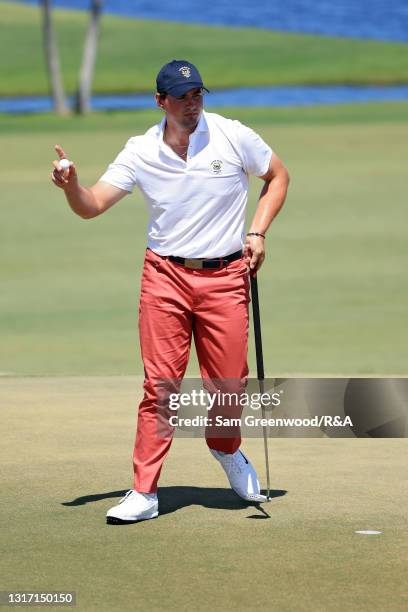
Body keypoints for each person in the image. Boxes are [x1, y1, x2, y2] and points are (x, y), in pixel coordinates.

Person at [51, 60, 289, 524]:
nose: (192, 102)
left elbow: (277, 176)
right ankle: (144, 492)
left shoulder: (231, 135)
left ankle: (225, 448)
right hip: (165, 277)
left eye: (198, 92)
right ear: (160, 101)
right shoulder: (140, 150)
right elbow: (92, 206)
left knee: (230, 386)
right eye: (182, 95)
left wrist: (257, 233)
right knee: (161, 387)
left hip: (225, 277)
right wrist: (72, 185)